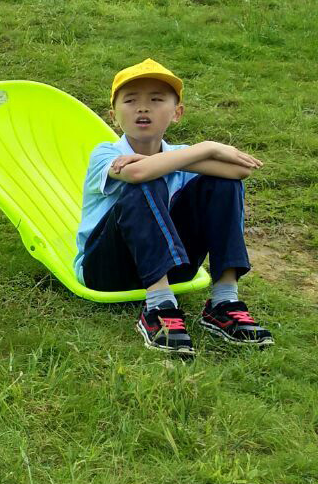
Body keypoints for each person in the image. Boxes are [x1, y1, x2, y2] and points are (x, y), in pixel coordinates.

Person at [73, 59, 271, 356]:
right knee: (144, 182)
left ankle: (224, 301)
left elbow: (237, 174)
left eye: (156, 99)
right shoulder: (105, 153)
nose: (143, 108)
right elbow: (139, 175)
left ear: (177, 113)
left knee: (221, 183)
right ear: (114, 117)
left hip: (174, 267)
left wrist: (187, 156)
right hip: (106, 271)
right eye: (131, 101)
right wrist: (207, 148)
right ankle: (159, 307)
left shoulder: (180, 154)